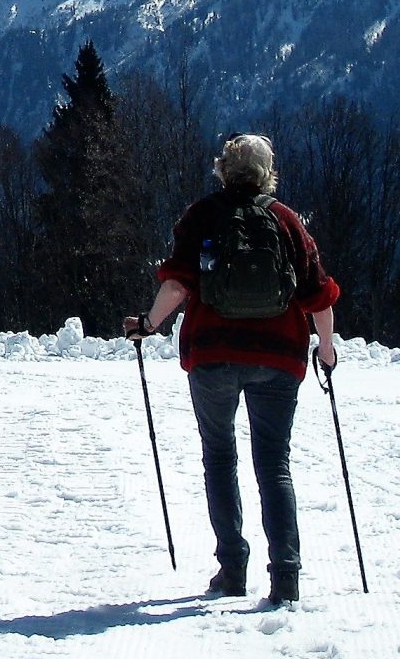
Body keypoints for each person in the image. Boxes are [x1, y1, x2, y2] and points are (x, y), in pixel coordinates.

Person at [125, 133, 340, 605]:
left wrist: (148, 324)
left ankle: (232, 568)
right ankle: (286, 575)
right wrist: (325, 349)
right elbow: (319, 296)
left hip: (213, 354)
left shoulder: (202, 215)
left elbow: (178, 284)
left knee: (220, 457)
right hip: (279, 357)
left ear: (223, 169)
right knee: (274, 463)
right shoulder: (286, 222)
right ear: (268, 173)